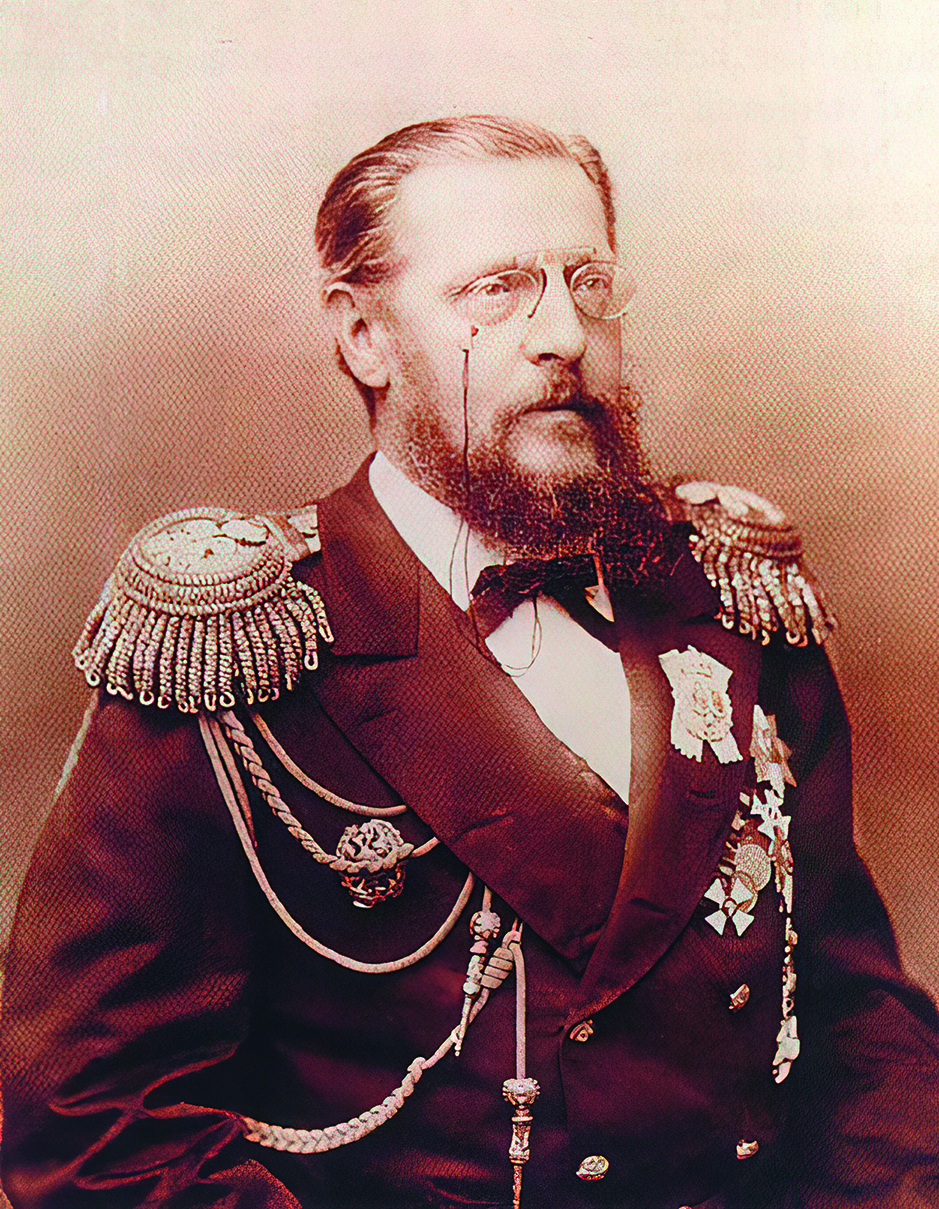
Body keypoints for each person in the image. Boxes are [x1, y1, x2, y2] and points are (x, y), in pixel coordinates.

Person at [1, 115, 938, 1209]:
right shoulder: (239, 651)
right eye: (497, 290)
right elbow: (92, 1126)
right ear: (365, 337)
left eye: (589, 283)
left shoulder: (728, 602)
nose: (564, 334)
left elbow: (854, 1025)